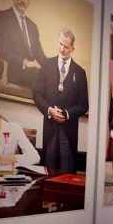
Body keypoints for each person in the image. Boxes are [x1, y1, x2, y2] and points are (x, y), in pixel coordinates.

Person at [33, 28, 89, 171]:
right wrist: (49, 110)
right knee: (48, 170)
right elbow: (37, 94)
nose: (62, 49)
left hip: (68, 130)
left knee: (67, 172)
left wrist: (67, 114)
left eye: (66, 46)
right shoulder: (46, 65)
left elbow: (84, 105)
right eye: (60, 44)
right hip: (50, 126)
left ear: (72, 48)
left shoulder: (80, 72)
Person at [0, 0, 47, 87]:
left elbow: (39, 54)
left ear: (28, 1)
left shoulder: (33, 26)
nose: (22, 0)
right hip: (14, 68)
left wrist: (52, 67)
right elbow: (2, 48)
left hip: (31, 71)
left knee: (53, 76)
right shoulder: (2, 16)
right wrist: (25, 62)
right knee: (44, 78)